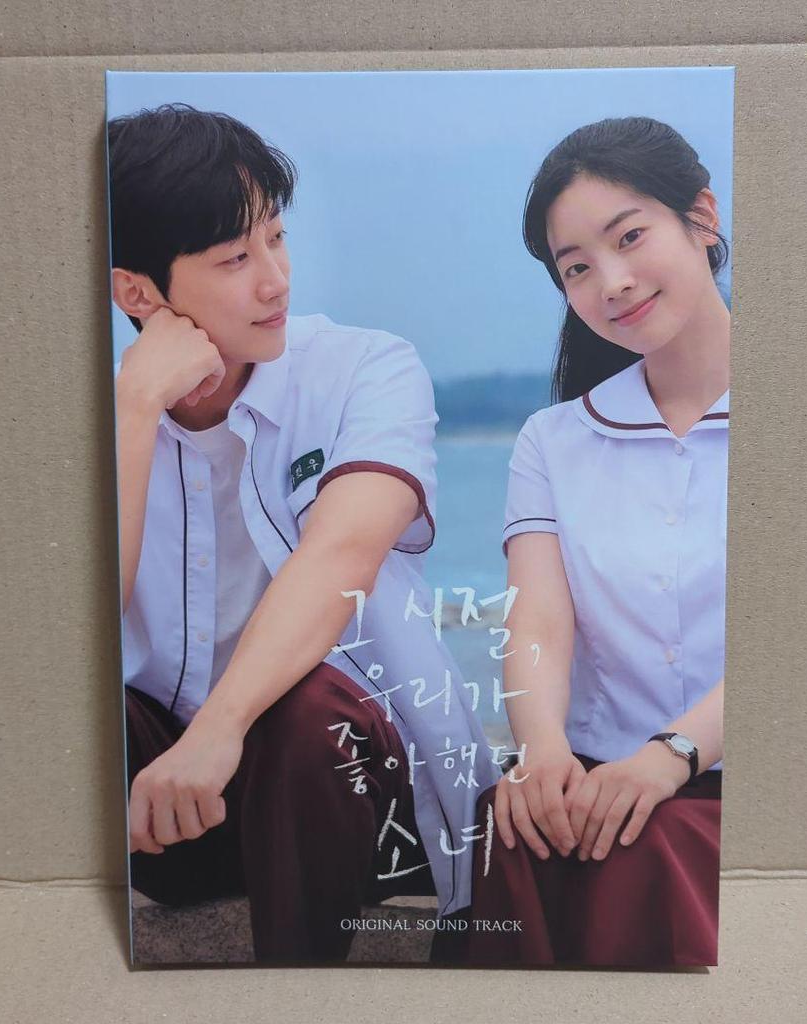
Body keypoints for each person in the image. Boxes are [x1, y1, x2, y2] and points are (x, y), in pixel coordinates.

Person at [108, 103, 497, 963]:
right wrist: (134, 411)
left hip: (342, 785)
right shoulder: (102, 410)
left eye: (277, 239)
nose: (276, 280)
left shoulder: (366, 369)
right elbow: (69, 636)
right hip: (165, 800)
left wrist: (220, 728)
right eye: (235, 259)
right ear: (138, 293)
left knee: (308, 711)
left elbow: (341, 557)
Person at [467, 116, 729, 967]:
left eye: (630, 238)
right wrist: (541, 752)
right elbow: (539, 620)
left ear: (702, 216)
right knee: (514, 826)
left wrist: (671, 756)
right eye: (576, 267)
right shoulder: (553, 441)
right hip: (600, 770)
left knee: (645, 843)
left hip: (751, 786)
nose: (611, 282)